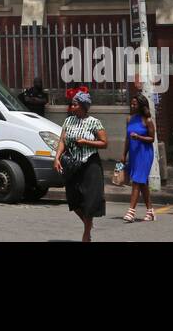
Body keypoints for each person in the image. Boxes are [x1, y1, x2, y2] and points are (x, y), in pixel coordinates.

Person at [54, 87, 109, 242]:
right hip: (72, 164)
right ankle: (87, 223)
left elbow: (104, 143)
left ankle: (86, 233)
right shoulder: (68, 120)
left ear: (83, 106)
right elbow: (62, 141)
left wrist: (86, 142)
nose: (72, 107)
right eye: (72, 104)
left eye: (75, 104)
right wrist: (57, 158)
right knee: (73, 199)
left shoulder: (94, 123)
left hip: (90, 165)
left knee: (90, 201)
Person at [122, 93, 156, 222]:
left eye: (135, 104)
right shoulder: (129, 119)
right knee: (142, 183)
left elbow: (152, 139)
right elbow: (127, 138)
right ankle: (150, 211)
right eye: (132, 103)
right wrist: (123, 155)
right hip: (134, 153)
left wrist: (139, 137)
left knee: (136, 180)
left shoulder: (147, 120)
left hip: (145, 153)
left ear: (141, 105)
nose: (132, 105)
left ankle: (131, 211)